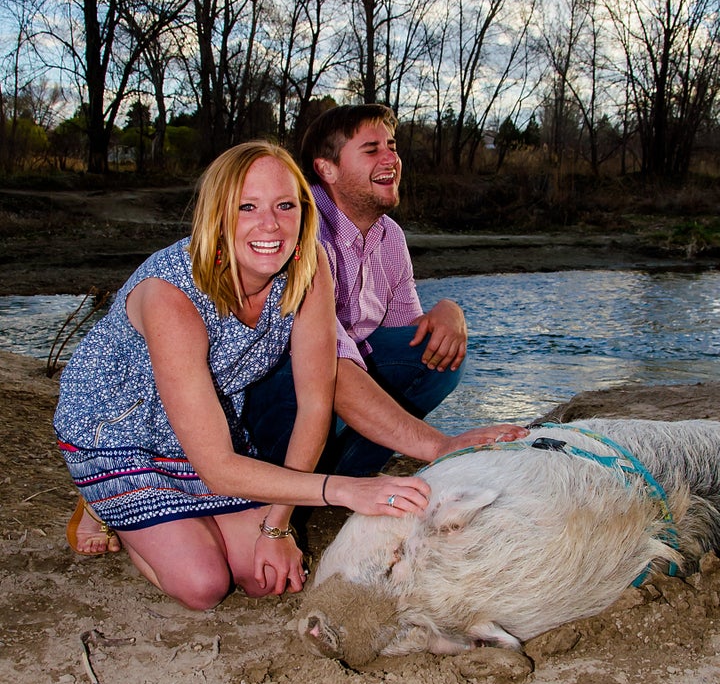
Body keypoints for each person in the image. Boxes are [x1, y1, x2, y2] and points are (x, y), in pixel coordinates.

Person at [55, 141, 431, 609]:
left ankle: (167, 520)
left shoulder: (308, 269)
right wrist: (346, 490)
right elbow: (218, 468)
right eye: (246, 207)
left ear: (304, 210)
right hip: (115, 432)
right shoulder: (170, 293)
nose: (269, 224)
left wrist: (278, 526)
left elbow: (316, 403)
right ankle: (107, 506)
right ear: (216, 215)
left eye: (285, 205)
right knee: (204, 584)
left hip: (204, 426)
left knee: (262, 577)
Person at [244, 105, 526, 477]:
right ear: (327, 168)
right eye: (372, 149)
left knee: (435, 357)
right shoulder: (297, 224)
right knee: (326, 369)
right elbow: (328, 362)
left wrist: (449, 312)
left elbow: (405, 338)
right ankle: (283, 479)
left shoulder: (389, 235)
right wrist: (439, 445)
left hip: (331, 380)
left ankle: (344, 478)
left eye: (392, 146)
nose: (392, 158)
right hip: (266, 395)